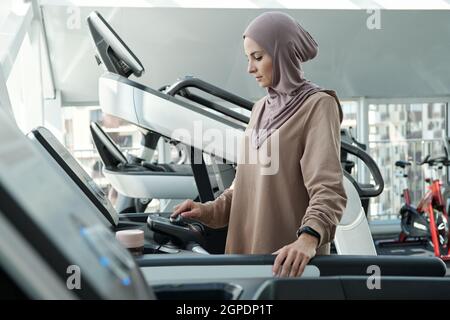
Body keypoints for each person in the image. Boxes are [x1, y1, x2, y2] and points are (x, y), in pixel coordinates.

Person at [171, 11, 347, 278]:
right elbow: (244, 188)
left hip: (286, 265)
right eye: (248, 58)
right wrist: (207, 211)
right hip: (243, 262)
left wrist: (308, 239)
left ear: (283, 54)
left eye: (258, 57)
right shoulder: (260, 109)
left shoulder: (318, 105)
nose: (250, 68)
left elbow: (329, 189)